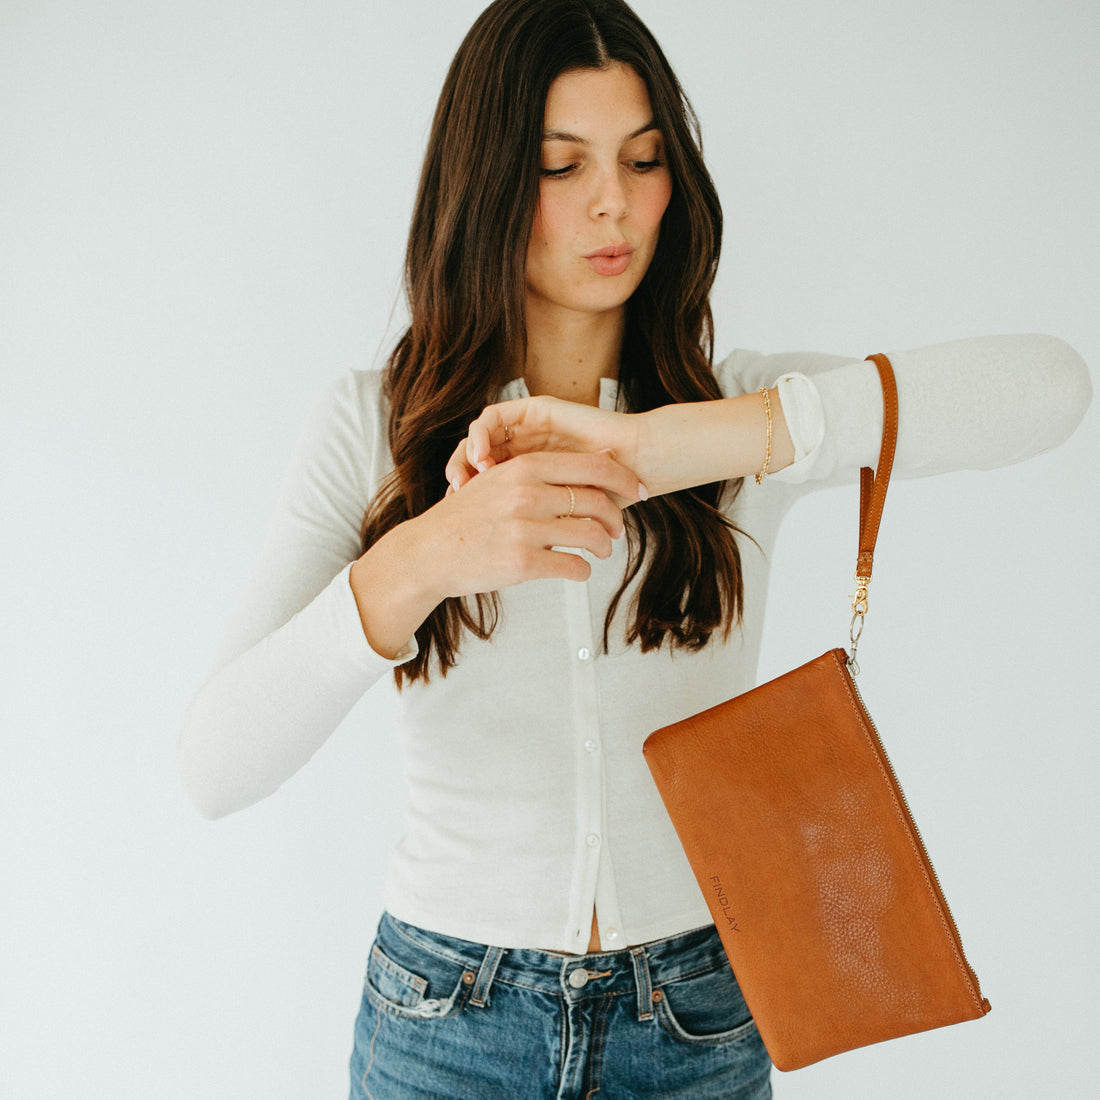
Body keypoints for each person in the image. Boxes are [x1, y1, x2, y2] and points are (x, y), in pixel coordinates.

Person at [177, 1, 1091, 1096]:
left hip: (696, 1017)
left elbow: (1050, 389)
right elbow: (212, 765)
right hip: (443, 1019)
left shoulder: (744, 411)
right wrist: (422, 557)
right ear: (484, 185)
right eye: (562, 165)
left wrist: (679, 440)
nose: (613, 201)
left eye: (643, 158)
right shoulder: (372, 426)